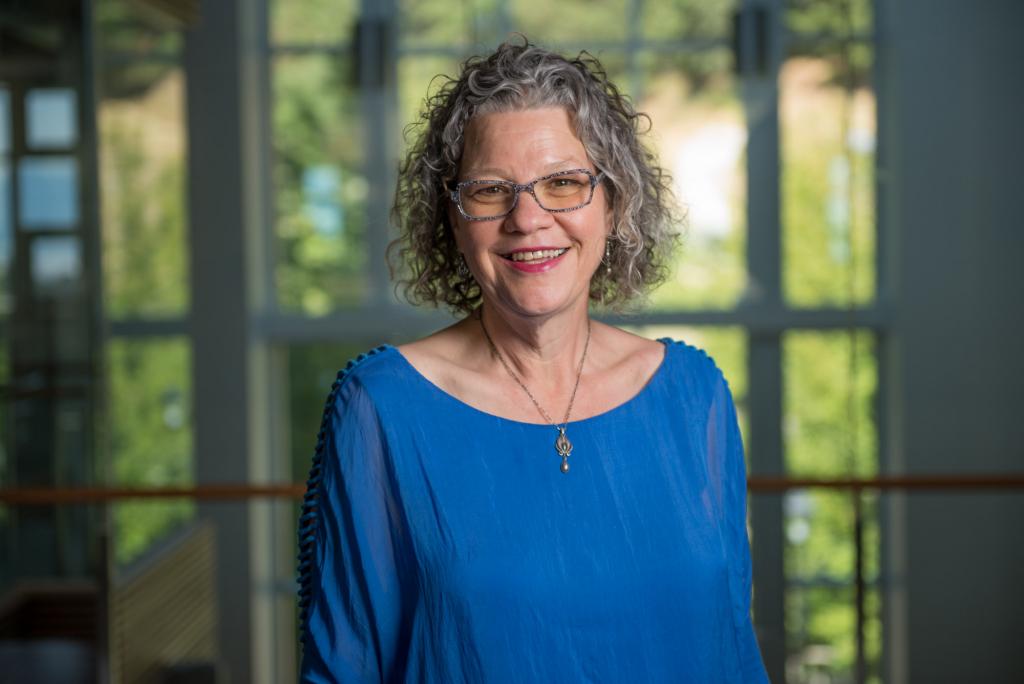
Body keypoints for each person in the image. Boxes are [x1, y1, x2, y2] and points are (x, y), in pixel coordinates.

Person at [297, 39, 769, 683]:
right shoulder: (381, 407)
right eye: (491, 191)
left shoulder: (695, 396)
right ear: (454, 221)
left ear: (614, 202)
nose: (528, 218)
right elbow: (344, 667)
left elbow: (732, 649)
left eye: (564, 183)